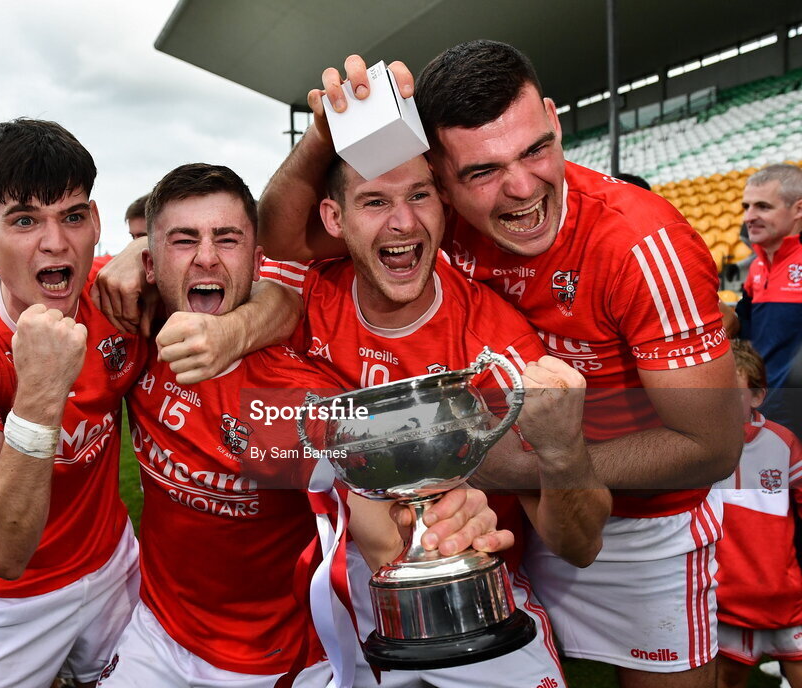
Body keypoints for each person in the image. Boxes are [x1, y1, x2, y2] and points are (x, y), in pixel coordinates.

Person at [258, 40, 740, 687]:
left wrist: (511, 459)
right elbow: (281, 236)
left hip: (643, 525)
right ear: (447, 179)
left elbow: (713, 445)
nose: (519, 187)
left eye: (536, 149)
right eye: (482, 171)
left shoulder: (640, 244)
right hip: (526, 516)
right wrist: (324, 133)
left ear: (554, 118)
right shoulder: (436, 217)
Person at [96, 162, 515, 688]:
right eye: (184, 241)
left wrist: (434, 540)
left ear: (257, 258)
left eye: (227, 239)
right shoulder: (136, 332)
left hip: (280, 663)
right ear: (149, 263)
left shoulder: (290, 398)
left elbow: (380, 531)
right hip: (156, 635)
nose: (206, 257)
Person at [263, 155, 611, 687]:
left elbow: (580, 546)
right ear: (334, 219)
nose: (403, 222)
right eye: (376, 201)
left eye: (420, 195)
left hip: (475, 581)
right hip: (343, 590)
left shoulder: (498, 341)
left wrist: (564, 455)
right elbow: (224, 256)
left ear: (444, 205)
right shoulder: (304, 296)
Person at [0, 118, 146, 688]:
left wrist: (145, 247)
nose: (56, 242)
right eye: (24, 220)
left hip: (110, 563)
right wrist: (40, 394)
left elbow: (272, 263)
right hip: (4, 601)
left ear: (96, 223)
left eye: (73, 216)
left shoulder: (116, 296)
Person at [712, 340, 802, 687]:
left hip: (784, 591)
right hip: (726, 597)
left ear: (757, 396)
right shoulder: (694, 448)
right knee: (729, 678)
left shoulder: (784, 442)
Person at [735, 164, 802, 437]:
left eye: (763, 206)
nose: (749, 216)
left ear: (798, 209)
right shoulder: (755, 269)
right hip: (765, 415)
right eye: (746, 206)